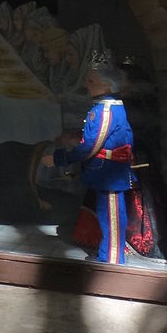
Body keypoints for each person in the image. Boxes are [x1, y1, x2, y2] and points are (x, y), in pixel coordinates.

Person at [55, 50, 136, 264]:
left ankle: (112, 258)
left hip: (108, 171)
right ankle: (107, 254)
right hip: (103, 170)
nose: (86, 85)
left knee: (111, 215)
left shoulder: (105, 111)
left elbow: (90, 146)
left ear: (107, 85)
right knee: (105, 213)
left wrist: (61, 158)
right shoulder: (104, 108)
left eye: (91, 81)